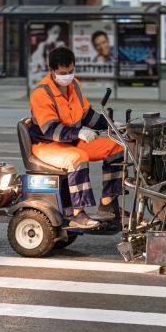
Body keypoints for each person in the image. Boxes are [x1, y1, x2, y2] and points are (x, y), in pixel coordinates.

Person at [29, 47, 124, 229]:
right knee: (77, 158)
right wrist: (78, 133)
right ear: (52, 71)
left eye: (71, 71)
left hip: (71, 141)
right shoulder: (41, 94)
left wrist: (111, 125)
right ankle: (77, 213)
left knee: (117, 147)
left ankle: (107, 203)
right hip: (47, 144)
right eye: (63, 73)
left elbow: (87, 115)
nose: (68, 76)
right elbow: (50, 129)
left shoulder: (75, 86)